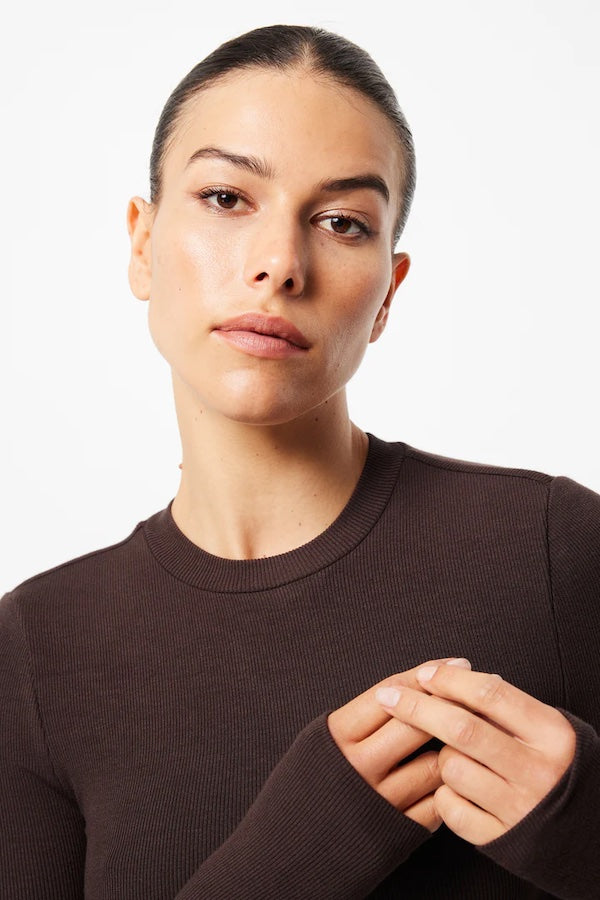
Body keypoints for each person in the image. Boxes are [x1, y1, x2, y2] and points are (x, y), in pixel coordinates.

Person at [1, 23, 598, 900]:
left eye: (341, 222)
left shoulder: (555, 550)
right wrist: (296, 858)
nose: (280, 264)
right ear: (142, 243)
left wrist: (586, 833)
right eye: (226, 198)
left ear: (388, 294)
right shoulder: (37, 649)